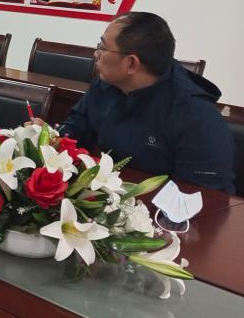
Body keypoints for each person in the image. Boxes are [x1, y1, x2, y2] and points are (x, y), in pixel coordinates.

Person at [60, 12, 234, 193]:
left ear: (131, 64)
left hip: (160, 206)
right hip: (111, 195)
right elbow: (74, 133)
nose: (96, 54)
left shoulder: (196, 116)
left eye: (102, 48)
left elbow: (200, 196)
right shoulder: (105, 84)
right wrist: (51, 138)